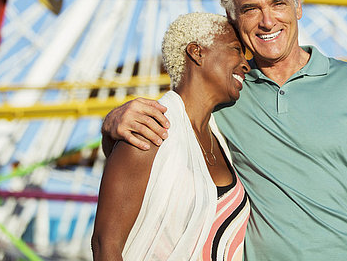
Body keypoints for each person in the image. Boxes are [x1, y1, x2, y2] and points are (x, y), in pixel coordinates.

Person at [101, 0, 347, 260]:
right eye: (251, 9)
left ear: (298, 6)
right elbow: (161, 149)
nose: (267, 21)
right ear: (233, 17)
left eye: (278, 3)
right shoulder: (227, 97)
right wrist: (112, 123)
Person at [92, 13, 251, 260]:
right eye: (235, 50)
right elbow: (106, 244)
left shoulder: (221, 139)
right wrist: (109, 127)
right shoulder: (149, 131)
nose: (246, 65)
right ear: (197, 52)